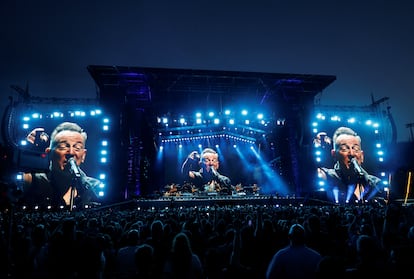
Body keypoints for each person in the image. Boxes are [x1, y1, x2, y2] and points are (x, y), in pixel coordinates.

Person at [21, 121, 101, 209]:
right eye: (63, 147)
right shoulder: (32, 180)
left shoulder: (93, 187)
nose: (71, 152)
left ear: (83, 155)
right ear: (49, 153)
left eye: (77, 148)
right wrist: (26, 150)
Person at [317, 126, 381, 204]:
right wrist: (315, 148)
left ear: (362, 156)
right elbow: (311, 171)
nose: (351, 153)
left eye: (356, 149)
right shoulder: (327, 177)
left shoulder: (375, 184)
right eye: (344, 149)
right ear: (334, 154)